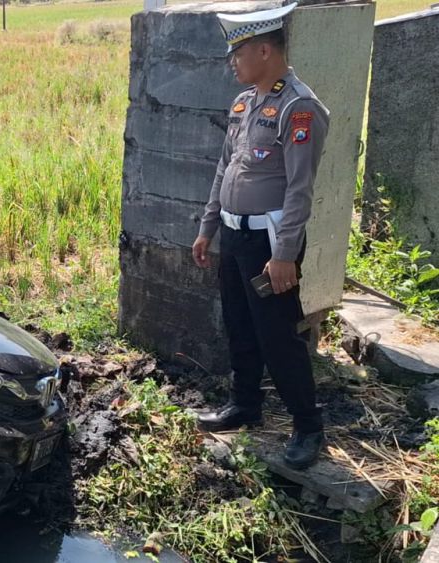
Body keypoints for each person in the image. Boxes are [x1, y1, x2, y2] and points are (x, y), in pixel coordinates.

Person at [191, 2, 330, 470]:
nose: (233, 62)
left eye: (239, 53)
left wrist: (285, 254)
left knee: (278, 336)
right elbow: (224, 169)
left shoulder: (299, 107)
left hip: (271, 243)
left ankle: (308, 426)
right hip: (235, 236)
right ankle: (244, 404)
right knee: (239, 323)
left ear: (265, 50)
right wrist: (209, 226)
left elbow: (299, 190)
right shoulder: (244, 102)